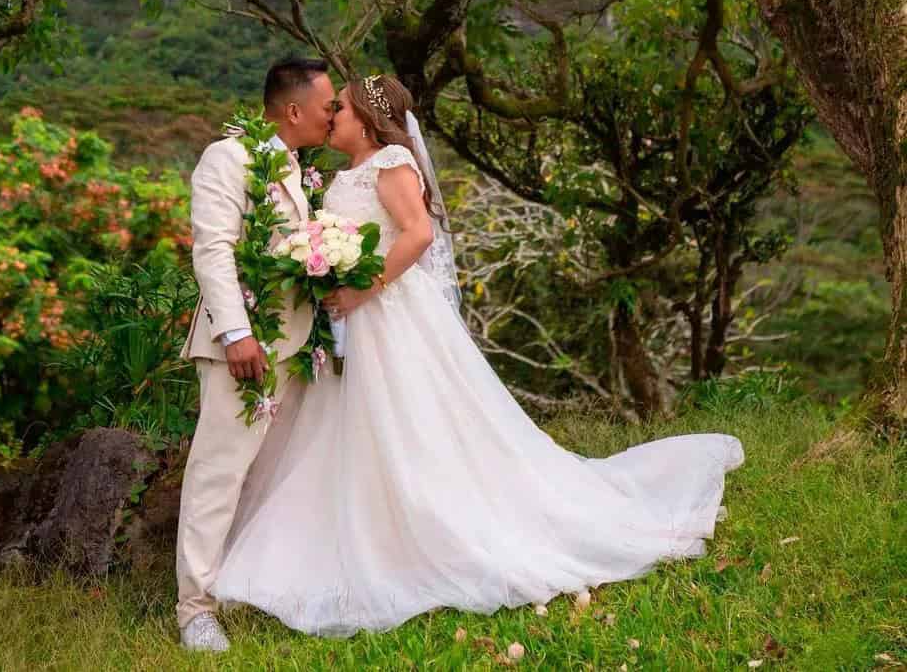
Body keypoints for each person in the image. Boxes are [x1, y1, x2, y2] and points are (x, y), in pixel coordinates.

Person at [209, 73, 744, 639]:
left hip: (387, 315)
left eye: (340, 107)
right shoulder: (340, 173)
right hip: (353, 320)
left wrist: (363, 289)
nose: (331, 114)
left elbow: (415, 236)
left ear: (366, 119)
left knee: (406, 427)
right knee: (343, 428)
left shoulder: (391, 162)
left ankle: (418, 529)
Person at [175, 56, 336, 653]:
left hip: (299, 348)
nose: (334, 117)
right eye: (326, 108)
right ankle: (195, 609)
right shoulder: (230, 157)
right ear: (293, 110)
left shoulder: (303, 169)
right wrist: (237, 334)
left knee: (274, 473)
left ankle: (250, 584)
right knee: (219, 473)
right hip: (244, 347)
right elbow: (212, 250)